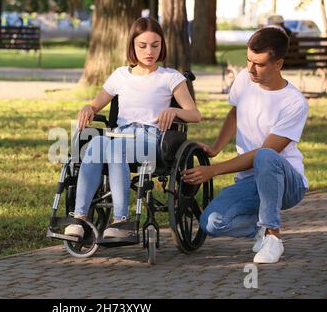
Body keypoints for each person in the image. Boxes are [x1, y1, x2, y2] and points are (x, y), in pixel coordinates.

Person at [64, 17, 201, 239]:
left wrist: (174, 111)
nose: (149, 51)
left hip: (152, 140)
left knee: (116, 147)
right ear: (132, 46)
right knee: (96, 142)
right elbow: (96, 103)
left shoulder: (170, 77)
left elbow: (195, 114)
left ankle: (121, 220)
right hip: (120, 135)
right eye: (142, 46)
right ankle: (79, 217)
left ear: (162, 46)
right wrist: (88, 108)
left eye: (155, 45)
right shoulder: (120, 75)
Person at [182, 27, 308, 264]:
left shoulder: (294, 103)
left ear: (278, 64)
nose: (250, 69)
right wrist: (217, 147)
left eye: (258, 64)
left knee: (266, 156)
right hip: (251, 181)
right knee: (211, 222)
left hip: (287, 182)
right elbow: (235, 113)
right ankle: (261, 226)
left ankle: (273, 235)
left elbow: (265, 154)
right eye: (249, 60)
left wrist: (213, 170)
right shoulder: (244, 79)